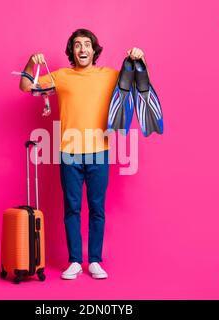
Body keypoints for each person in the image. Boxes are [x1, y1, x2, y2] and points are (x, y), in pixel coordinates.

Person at [19, 29, 146, 280]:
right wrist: (32, 62)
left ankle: (95, 261)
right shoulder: (61, 76)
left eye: (87, 44)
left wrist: (139, 58)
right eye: (77, 45)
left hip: (99, 152)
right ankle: (75, 261)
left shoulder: (109, 75)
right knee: (72, 209)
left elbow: (139, 82)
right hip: (69, 153)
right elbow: (25, 86)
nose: (83, 49)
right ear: (72, 51)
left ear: (94, 50)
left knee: (97, 209)